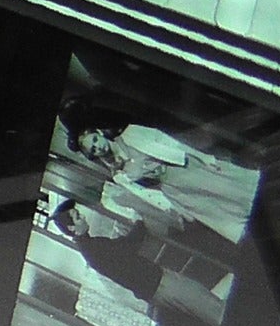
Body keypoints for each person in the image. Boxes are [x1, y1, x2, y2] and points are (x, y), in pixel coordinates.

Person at [59, 100, 261, 245]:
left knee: (231, 191)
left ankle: (263, 202)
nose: (98, 147)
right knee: (221, 212)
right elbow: (146, 194)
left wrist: (204, 157)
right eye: (93, 149)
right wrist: (177, 208)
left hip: (183, 169)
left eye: (95, 140)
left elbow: (170, 143)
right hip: (174, 191)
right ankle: (257, 230)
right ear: (92, 155)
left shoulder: (131, 134)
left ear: (100, 133)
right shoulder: (118, 175)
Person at [48, 200, 229, 326]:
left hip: (156, 283)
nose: (83, 217)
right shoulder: (93, 249)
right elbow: (128, 246)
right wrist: (139, 222)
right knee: (206, 304)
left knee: (203, 301)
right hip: (158, 284)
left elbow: (121, 248)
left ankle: (234, 325)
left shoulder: (91, 246)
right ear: (72, 228)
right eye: (77, 217)